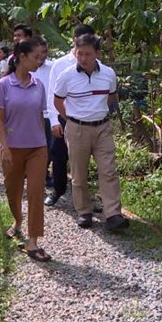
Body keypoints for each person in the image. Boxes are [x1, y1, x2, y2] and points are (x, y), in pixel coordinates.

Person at [53, 33, 129, 232]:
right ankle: (84, 211)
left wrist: (100, 112)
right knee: (79, 172)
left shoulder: (108, 74)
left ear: (97, 53)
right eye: (80, 54)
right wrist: (69, 118)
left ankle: (113, 214)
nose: (83, 58)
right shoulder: (66, 76)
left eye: (88, 54)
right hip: (77, 128)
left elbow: (111, 97)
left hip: (102, 127)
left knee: (108, 170)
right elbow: (57, 101)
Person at [0, 38, 51, 262]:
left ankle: (33, 241)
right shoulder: (4, 85)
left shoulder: (39, 85)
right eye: (36, 57)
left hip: (37, 147)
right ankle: (17, 222)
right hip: (12, 148)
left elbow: (39, 116)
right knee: (12, 190)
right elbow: (0, 120)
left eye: (42, 56)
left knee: (36, 192)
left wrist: (45, 144)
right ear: (22, 57)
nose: (40, 61)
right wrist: (5, 148)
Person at [45, 24, 97, 206]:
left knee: (84, 160)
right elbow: (52, 94)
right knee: (59, 155)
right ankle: (58, 190)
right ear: (74, 40)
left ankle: (85, 198)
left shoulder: (97, 64)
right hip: (63, 116)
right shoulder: (59, 65)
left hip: (87, 119)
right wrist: (54, 121)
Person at [31, 37, 55, 187]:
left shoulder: (53, 67)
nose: (41, 56)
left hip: (51, 114)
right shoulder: (26, 68)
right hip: (32, 115)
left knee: (51, 146)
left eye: (44, 52)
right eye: (38, 53)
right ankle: (38, 174)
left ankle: (45, 172)